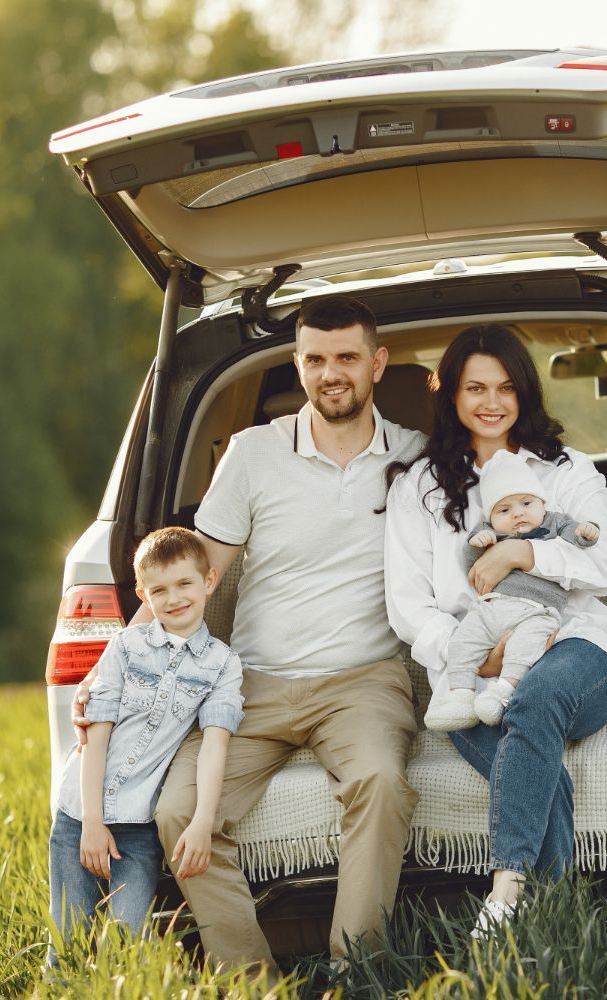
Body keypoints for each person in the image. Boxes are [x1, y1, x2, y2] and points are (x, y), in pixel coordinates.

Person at [73, 295, 425, 972]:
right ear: (297, 364)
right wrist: (109, 667)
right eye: (316, 359)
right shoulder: (253, 453)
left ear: (377, 364)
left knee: (381, 780)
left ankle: (357, 972)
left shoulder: (414, 458)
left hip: (364, 682)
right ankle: (253, 981)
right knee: (177, 809)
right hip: (252, 683)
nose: (332, 373)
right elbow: (193, 577)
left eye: (347, 357)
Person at [383, 323, 607, 936]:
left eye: (505, 388)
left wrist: (526, 556)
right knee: (529, 750)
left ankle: (504, 890)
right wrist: (475, 654)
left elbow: (604, 565)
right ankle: (557, 930)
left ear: (524, 392)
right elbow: (408, 607)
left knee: (539, 693)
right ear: (449, 394)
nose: (491, 402)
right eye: (475, 388)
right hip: (470, 668)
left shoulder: (565, 470)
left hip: (576, 641)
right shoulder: (418, 487)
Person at [47, 526, 243, 966]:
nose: (174, 599)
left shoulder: (222, 666)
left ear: (209, 581)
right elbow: (95, 738)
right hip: (81, 813)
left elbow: (215, 747)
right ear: (143, 594)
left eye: (184, 584)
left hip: (139, 828)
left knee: (125, 947)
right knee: (68, 947)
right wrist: (92, 824)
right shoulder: (124, 648)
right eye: (159, 590)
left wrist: (201, 823)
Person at [423, 447, 601, 732]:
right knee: (462, 642)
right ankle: (461, 696)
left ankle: (500, 693)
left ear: (542, 503)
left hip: (537, 611)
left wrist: (585, 533)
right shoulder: (490, 533)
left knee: (525, 648)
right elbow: (473, 567)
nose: (518, 514)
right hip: (492, 607)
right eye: (504, 510)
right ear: (491, 517)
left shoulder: (554, 522)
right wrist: (478, 543)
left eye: (527, 503)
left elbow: (577, 539)